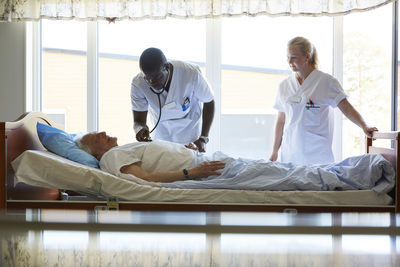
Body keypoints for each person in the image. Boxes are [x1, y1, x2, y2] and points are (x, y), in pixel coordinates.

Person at [74, 131, 394, 193]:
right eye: (96, 135)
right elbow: (145, 178)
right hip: (209, 171)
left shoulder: (121, 148)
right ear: (94, 150)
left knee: (289, 170)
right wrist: (190, 170)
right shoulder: (112, 157)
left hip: (212, 162)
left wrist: (186, 153)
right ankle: (362, 174)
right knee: (291, 174)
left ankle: (357, 170)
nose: (104, 132)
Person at [269, 36, 378, 165]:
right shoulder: (284, 86)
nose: (289, 61)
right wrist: (275, 150)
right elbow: (281, 121)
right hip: (290, 154)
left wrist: (364, 126)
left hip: (317, 155)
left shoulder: (326, 82)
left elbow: (346, 108)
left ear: (307, 57)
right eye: (287, 57)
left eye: (294, 57)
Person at [131, 47, 215, 152]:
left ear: (166, 67)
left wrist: (203, 138)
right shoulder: (138, 84)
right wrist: (140, 129)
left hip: (191, 137)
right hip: (162, 137)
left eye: (157, 77)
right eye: (148, 79)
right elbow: (138, 121)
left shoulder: (190, 73)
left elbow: (209, 101)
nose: (152, 83)